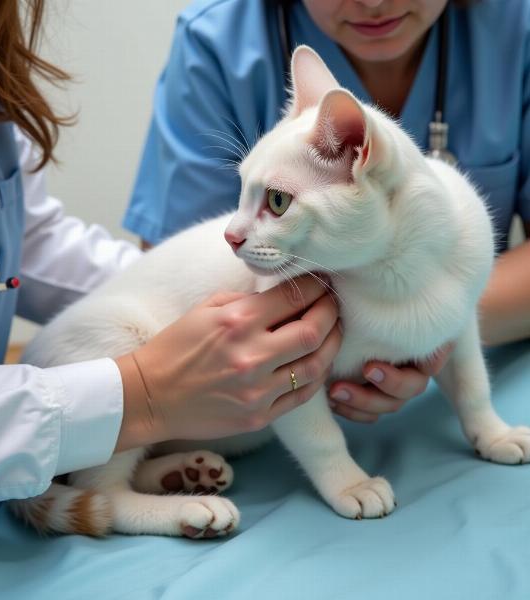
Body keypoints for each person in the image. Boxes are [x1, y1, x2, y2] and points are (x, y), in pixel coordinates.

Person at [0, 1, 346, 594]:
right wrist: (140, 392)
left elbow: (20, 238)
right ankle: (112, 494)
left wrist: (185, 293)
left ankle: (137, 475)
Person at [124, 0, 530, 422]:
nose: (373, 2)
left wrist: (425, 333)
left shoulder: (516, 25)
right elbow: (187, 290)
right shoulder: (215, 42)